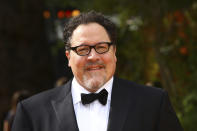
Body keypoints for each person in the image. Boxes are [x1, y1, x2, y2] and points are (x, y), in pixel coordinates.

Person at [12, 11, 183, 131]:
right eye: (83, 49)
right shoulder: (32, 113)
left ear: (114, 52)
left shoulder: (153, 104)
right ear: (68, 57)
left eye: (101, 47)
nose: (93, 56)